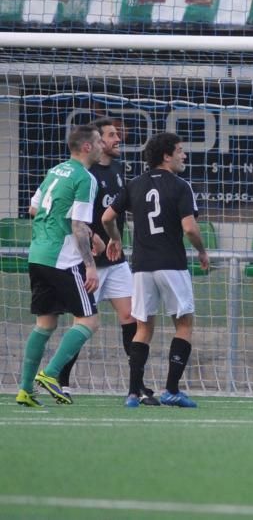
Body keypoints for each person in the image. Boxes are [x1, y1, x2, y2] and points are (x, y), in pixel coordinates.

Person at [45, 118, 158, 405]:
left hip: (116, 260)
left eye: (117, 134)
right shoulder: (85, 173)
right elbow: (72, 216)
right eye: (111, 135)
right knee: (82, 322)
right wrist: (96, 239)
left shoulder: (119, 170)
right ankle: (62, 381)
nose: (117, 138)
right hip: (88, 261)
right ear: (97, 142)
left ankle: (137, 385)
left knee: (131, 317)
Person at [103, 132, 209, 408]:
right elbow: (189, 227)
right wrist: (201, 250)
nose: (184, 155)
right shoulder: (180, 186)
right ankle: (171, 389)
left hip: (141, 267)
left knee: (143, 328)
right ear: (166, 155)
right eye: (180, 150)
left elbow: (107, 217)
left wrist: (115, 238)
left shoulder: (134, 185)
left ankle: (132, 393)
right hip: (172, 265)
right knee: (184, 324)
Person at [16, 125, 105, 408]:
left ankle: (25, 389)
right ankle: (51, 374)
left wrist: (89, 233)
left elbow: (34, 209)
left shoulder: (55, 171)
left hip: (38, 254)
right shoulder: (85, 178)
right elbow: (78, 225)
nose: (103, 145)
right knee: (89, 320)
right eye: (99, 141)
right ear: (88, 147)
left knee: (45, 323)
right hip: (63, 259)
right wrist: (90, 266)